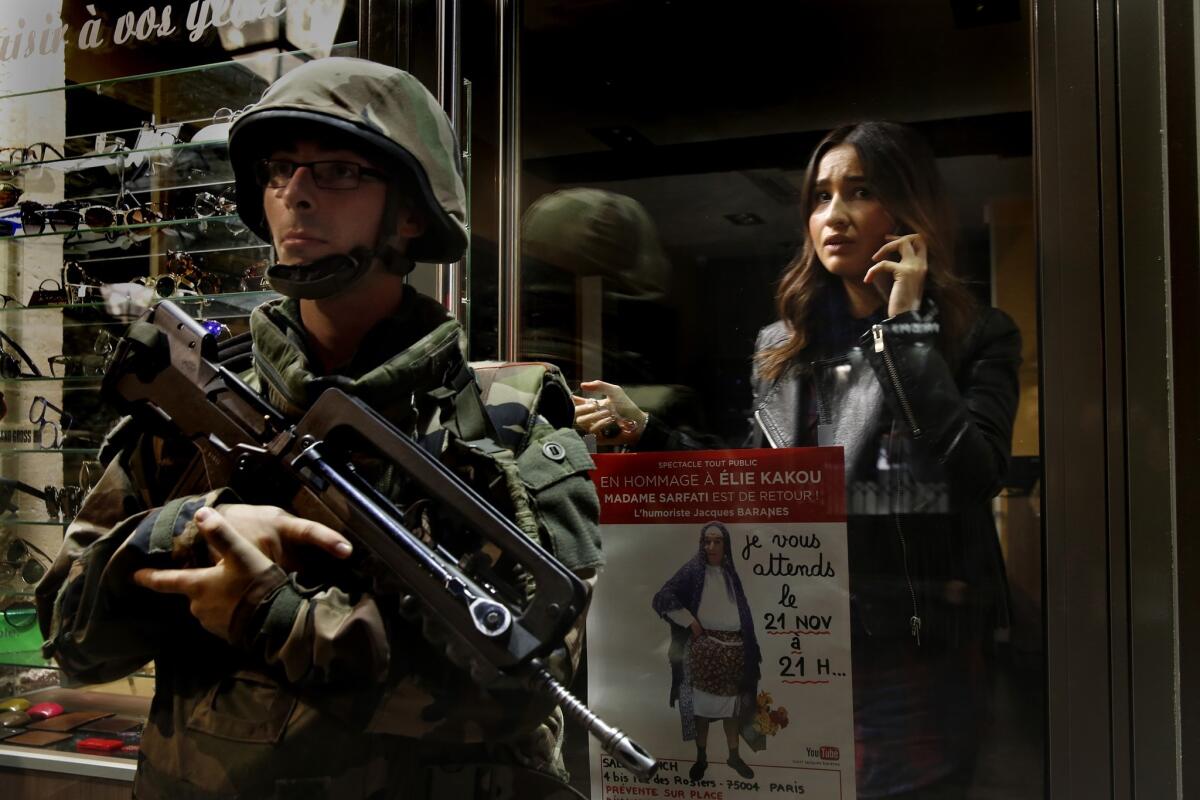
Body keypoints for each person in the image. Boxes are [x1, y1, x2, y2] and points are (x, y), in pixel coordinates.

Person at [36, 57, 602, 800]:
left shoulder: (506, 420)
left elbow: (524, 688)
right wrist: (189, 526)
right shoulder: (201, 401)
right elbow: (72, 642)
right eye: (278, 170)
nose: (295, 193)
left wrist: (272, 613)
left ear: (409, 211)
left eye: (336, 171)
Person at [577, 121, 1021, 799]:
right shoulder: (782, 347)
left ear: (906, 210)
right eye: (820, 197)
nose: (833, 216)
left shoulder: (974, 335)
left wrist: (906, 333)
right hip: (799, 634)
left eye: (860, 192)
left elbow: (973, 474)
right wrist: (650, 433)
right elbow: (755, 481)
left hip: (912, 647)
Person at [651, 521, 761, 783]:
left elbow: (742, 614)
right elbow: (663, 597)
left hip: (734, 653)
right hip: (704, 653)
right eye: (707, 541)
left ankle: (733, 756)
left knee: (732, 710)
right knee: (701, 710)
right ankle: (701, 758)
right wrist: (690, 621)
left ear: (726, 545)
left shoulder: (731, 574)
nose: (711, 546)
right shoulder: (693, 571)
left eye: (717, 541)